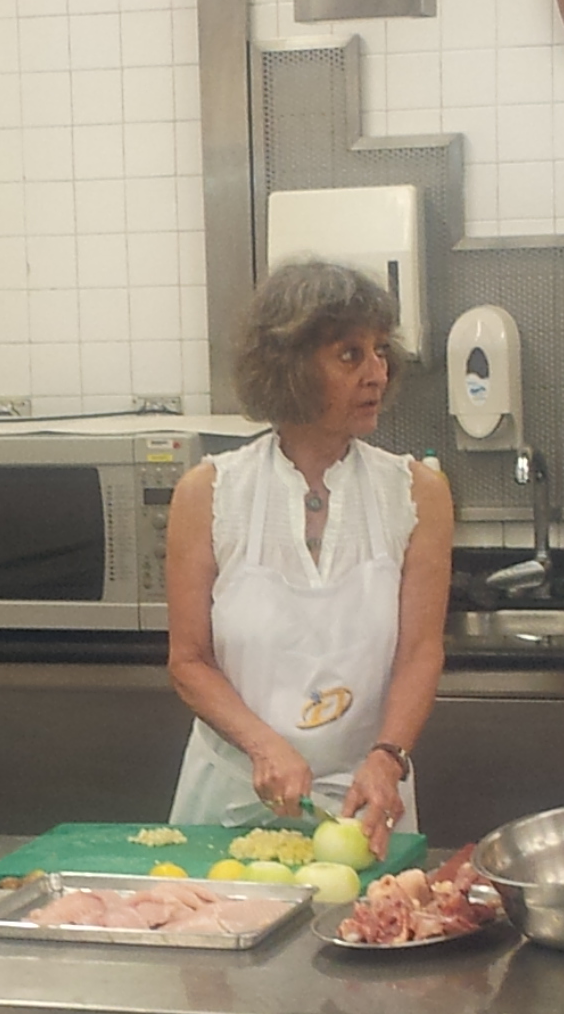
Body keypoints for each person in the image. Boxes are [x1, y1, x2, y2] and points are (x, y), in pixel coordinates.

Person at [167, 260, 455, 831]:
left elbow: (420, 652)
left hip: (366, 802)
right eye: (350, 355)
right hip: (230, 797)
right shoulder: (209, 494)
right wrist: (264, 747)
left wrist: (387, 757)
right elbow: (189, 661)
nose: (376, 373)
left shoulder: (418, 493)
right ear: (291, 368)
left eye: (380, 351)